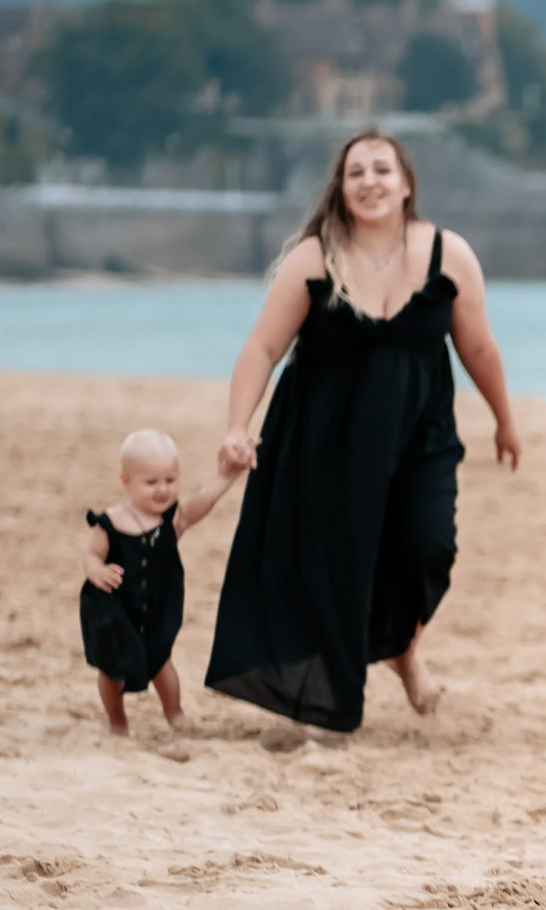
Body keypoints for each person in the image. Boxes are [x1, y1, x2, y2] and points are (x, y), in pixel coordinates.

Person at [206, 129, 520, 733]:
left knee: (429, 546)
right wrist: (236, 427)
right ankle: (327, 704)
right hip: (327, 441)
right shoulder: (315, 255)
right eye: (356, 173)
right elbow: (264, 347)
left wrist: (505, 420)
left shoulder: (449, 255)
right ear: (341, 188)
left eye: (382, 169)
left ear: (406, 184)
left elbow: (477, 345)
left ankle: (401, 648)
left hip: (418, 436)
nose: (370, 181)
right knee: (336, 566)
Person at [79, 428, 245, 735]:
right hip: (115, 608)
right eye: (151, 482)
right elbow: (93, 555)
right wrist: (96, 572)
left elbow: (203, 501)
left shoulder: (173, 519)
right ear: (127, 481)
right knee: (111, 670)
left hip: (156, 606)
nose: (162, 490)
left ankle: (174, 713)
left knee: (161, 661)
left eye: (170, 480)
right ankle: (117, 722)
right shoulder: (111, 521)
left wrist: (227, 475)